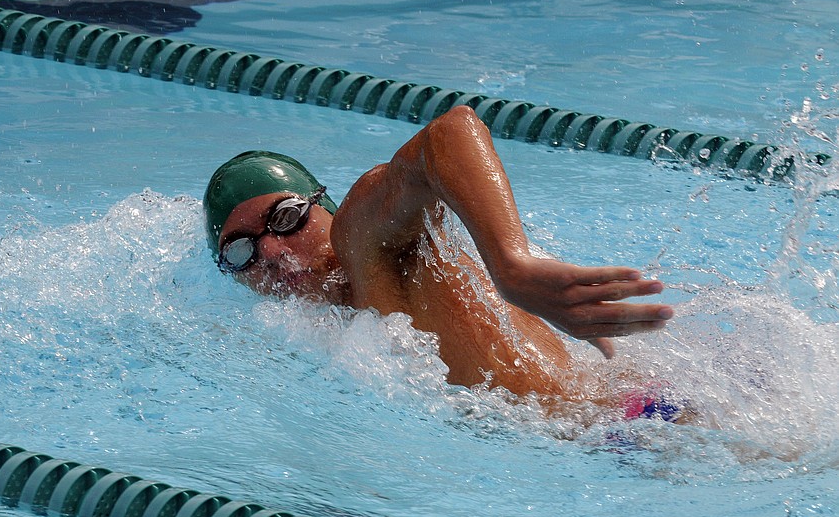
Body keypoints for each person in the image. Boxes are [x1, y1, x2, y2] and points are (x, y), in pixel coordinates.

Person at [204, 106, 676, 418]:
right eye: (241, 251)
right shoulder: (325, 326)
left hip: (640, 425)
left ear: (324, 207)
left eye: (287, 218)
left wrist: (512, 266)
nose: (274, 253)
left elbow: (452, 131)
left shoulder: (364, 240)